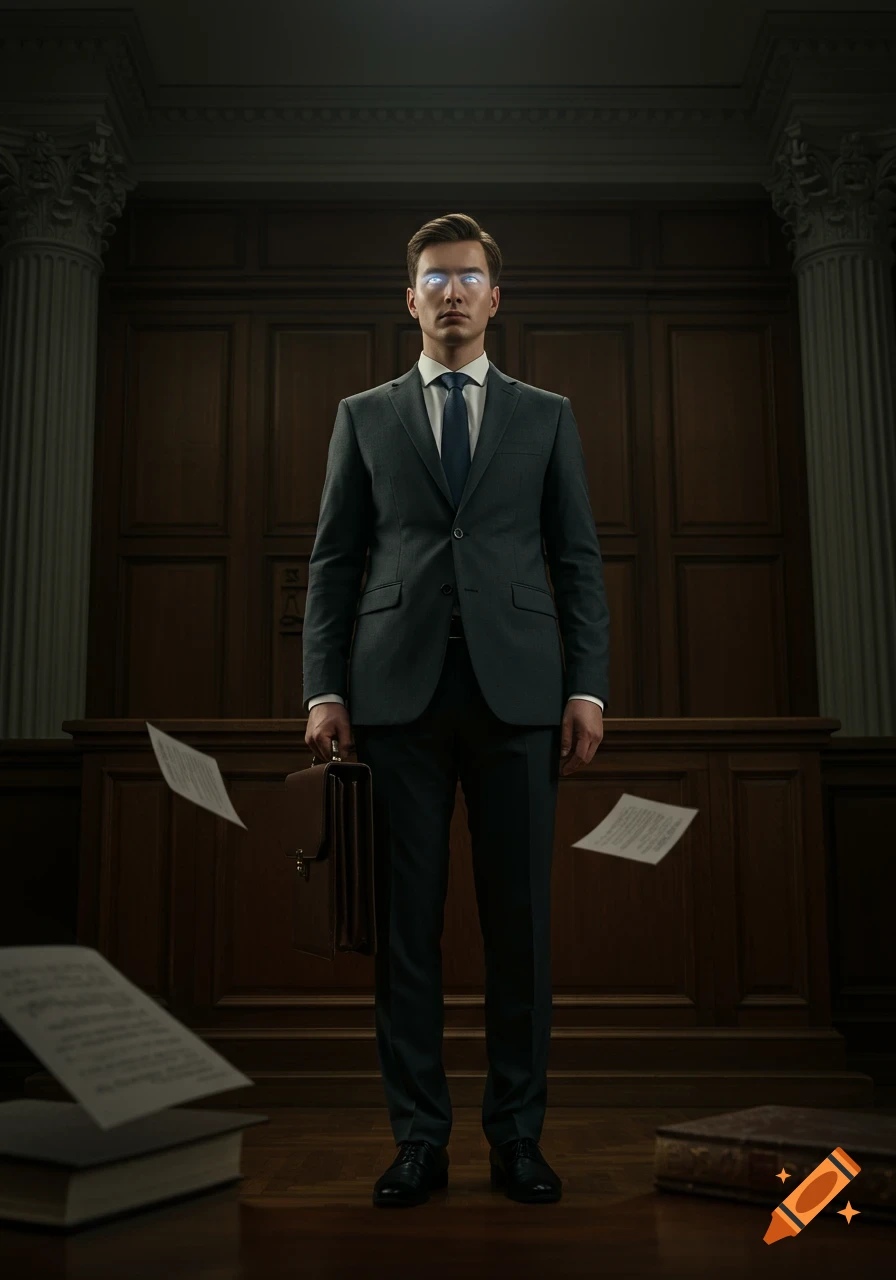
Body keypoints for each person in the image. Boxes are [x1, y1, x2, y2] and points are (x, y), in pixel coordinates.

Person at [303, 212, 610, 1208]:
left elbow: (574, 559)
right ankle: (418, 1140)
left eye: (466, 276)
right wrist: (324, 685)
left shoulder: (546, 413)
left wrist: (585, 683)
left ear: (492, 296)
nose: (449, 292)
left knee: (519, 925)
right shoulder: (363, 413)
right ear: (409, 298)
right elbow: (334, 562)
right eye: (432, 277)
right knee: (405, 932)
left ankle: (517, 1137)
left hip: (519, 698)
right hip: (394, 699)